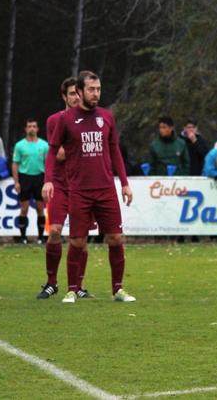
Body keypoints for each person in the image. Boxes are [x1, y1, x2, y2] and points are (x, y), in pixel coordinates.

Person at [43, 70, 135, 303]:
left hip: (105, 189)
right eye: (91, 90)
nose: (96, 94)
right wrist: (48, 181)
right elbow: (53, 151)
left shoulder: (106, 117)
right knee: (77, 241)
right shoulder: (65, 120)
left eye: (99, 89)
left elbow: (114, 150)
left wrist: (124, 183)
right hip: (79, 190)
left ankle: (118, 290)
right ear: (81, 91)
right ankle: (72, 289)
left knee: (116, 238)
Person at [37, 77, 89, 299]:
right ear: (64, 96)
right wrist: (85, 149)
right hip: (60, 184)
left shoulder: (91, 119)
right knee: (55, 231)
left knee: (81, 239)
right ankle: (51, 283)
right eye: (71, 94)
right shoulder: (54, 120)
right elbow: (57, 154)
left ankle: (78, 286)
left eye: (78, 93)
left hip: (83, 185)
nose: (76, 97)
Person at [12, 118, 49, 244]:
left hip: (39, 177)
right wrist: (16, 182)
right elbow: (15, 164)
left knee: (40, 208)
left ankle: (40, 237)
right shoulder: (20, 145)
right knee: (24, 209)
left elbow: (48, 164)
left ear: (37, 129)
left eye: (34, 126)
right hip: (25, 177)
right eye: (29, 126)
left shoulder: (44, 145)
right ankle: (23, 237)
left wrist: (48, 180)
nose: (32, 128)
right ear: (26, 129)